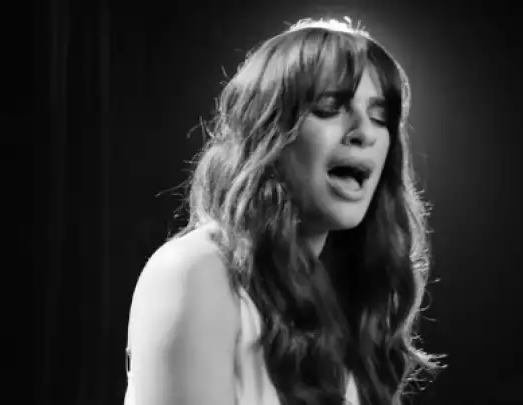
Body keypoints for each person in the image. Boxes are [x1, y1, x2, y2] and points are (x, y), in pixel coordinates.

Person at [124, 17, 446, 405]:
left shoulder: (351, 303)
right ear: (267, 131)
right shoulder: (195, 272)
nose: (364, 132)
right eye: (330, 107)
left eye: (380, 117)